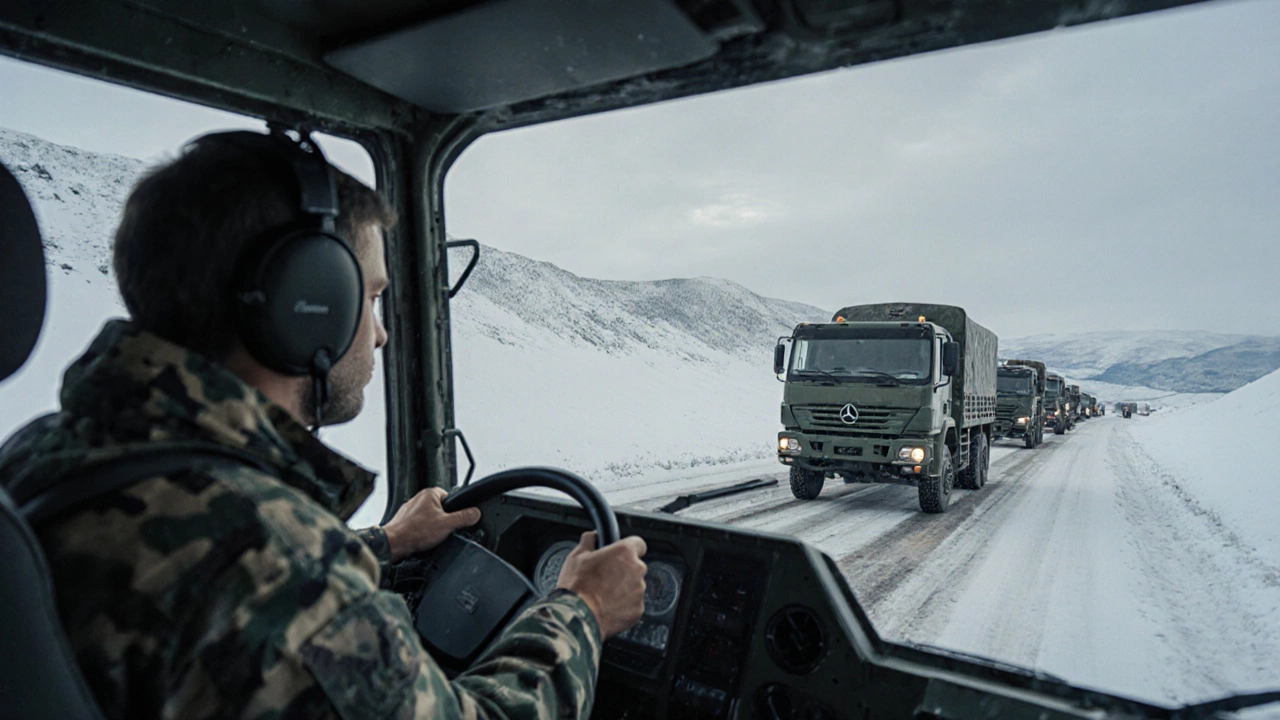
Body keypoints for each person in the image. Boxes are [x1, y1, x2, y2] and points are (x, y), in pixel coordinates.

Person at [0, 129, 648, 719]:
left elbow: (226, 597)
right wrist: (583, 612)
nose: (383, 332)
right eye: (368, 297)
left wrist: (386, 544)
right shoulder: (265, 552)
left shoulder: (46, 453)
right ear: (306, 303)